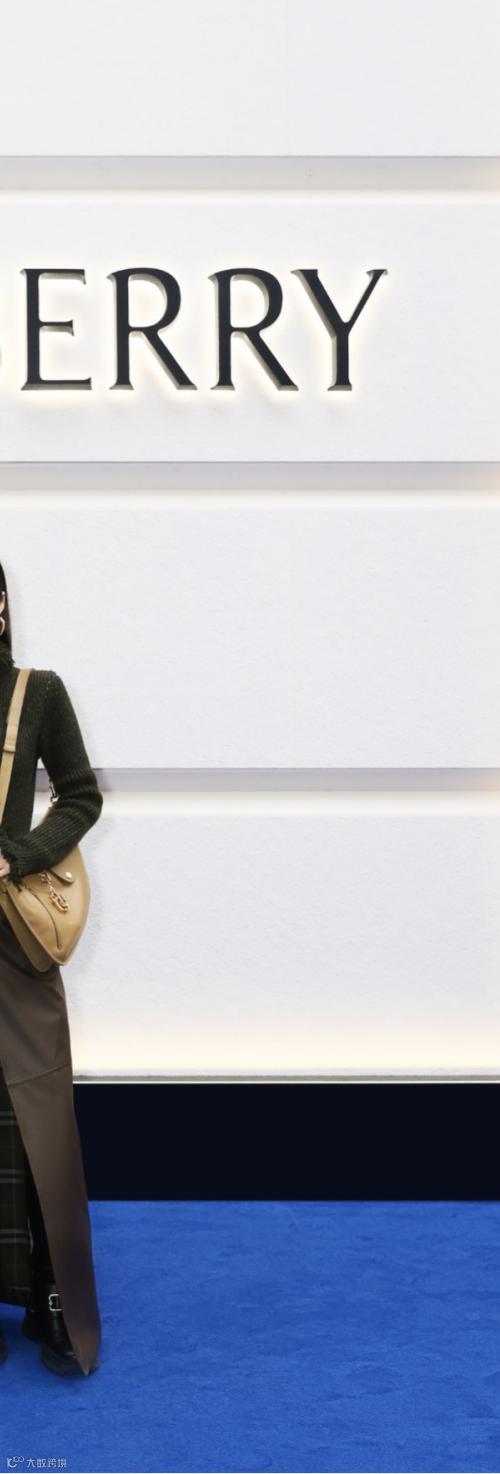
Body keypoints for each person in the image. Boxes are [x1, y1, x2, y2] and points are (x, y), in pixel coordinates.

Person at [0, 565, 103, 1376]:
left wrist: (19, 854)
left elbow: (80, 796)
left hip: (10, 938)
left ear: (0, 605)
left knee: (33, 1112)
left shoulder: (37, 693)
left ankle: (51, 1294)